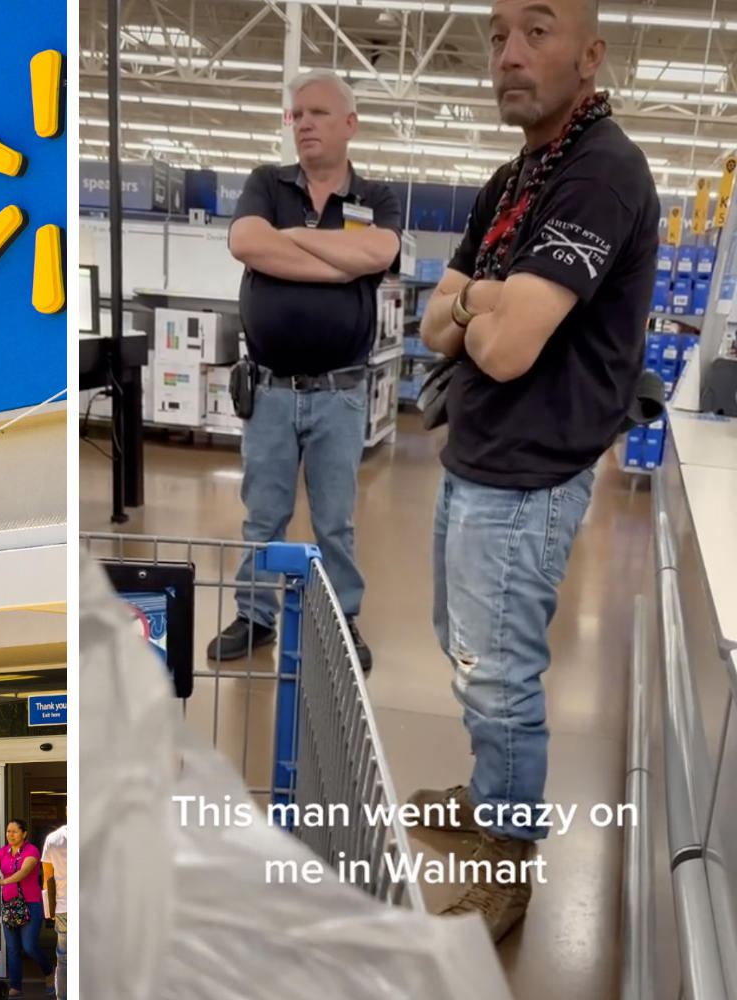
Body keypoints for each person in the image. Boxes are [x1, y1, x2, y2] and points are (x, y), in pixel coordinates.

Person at [411, 0, 658, 941]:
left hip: (527, 476)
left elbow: (508, 349)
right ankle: (485, 793)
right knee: (466, 648)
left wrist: (477, 304)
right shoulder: (515, 178)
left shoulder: (602, 174)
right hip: (473, 456)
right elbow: (435, 320)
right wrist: (482, 297)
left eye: (538, 32)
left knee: (500, 676)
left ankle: (507, 869)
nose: (509, 55)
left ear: (589, 56)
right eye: (498, 35)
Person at [209, 69, 402, 672]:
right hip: (268, 388)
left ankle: (342, 617)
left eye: (318, 113)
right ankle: (255, 616)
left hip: (340, 392)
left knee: (334, 519)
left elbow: (379, 252)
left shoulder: (379, 196)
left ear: (350, 124)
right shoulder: (267, 182)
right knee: (262, 511)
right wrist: (336, 261)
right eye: (297, 115)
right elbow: (246, 243)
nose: (304, 124)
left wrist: (288, 244)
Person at [0, 818, 53, 998]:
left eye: (14, 831)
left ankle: (50, 972)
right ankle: (16, 987)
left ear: (24, 833)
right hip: (10, 905)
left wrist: (2, 881)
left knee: (30, 946)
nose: (10, 835)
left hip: (30, 904)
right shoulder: (3, 852)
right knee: (12, 948)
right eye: (8, 831)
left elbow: (24, 872)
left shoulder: (32, 851)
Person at [40, 821, 69, 1000]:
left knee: (64, 960)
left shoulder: (53, 839)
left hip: (64, 907)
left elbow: (48, 879)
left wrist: (49, 911)